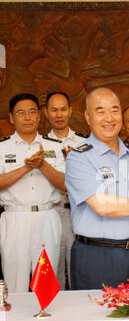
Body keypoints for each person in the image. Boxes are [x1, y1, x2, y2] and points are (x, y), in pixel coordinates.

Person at [65, 87, 129, 290]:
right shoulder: (79, 157)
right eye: (100, 111)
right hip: (96, 255)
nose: (109, 118)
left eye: (114, 110)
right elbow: (103, 206)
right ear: (88, 117)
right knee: (95, 317)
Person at [0, 93, 66, 293]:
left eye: (32, 112)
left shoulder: (55, 147)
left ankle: (47, 319)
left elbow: (66, 184)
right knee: (14, 281)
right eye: (21, 113)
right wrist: (26, 168)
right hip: (14, 217)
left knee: (47, 280)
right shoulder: (2, 148)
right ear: (12, 118)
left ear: (39, 115)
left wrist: (43, 165)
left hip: (47, 216)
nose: (27, 117)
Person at [45, 92, 87, 289]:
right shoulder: (39, 143)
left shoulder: (84, 143)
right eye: (54, 110)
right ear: (46, 113)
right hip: (51, 211)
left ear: (70, 111)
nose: (59, 114)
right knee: (52, 266)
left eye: (63, 109)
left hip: (77, 211)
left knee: (77, 265)